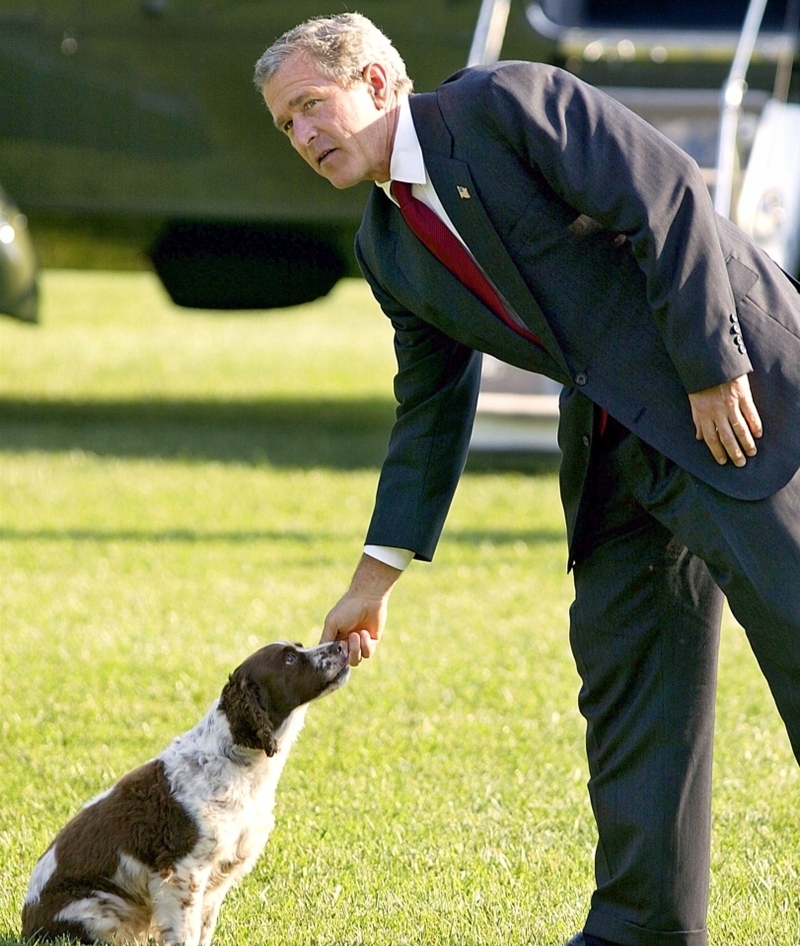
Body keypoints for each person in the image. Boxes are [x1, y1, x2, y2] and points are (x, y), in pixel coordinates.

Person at [254, 13, 800, 946]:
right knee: (629, 674)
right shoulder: (386, 247)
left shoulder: (507, 102)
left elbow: (664, 189)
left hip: (737, 399)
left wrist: (713, 368)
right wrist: (372, 580)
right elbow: (429, 413)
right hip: (616, 445)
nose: (304, 135)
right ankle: (639, 929)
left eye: (312, 106)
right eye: (286, 125)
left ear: (379, 84)